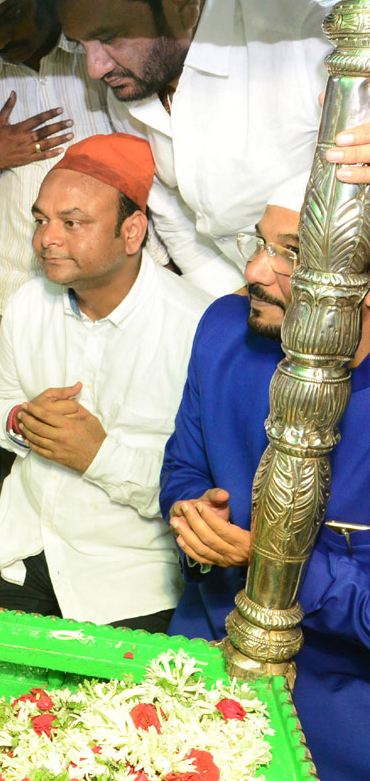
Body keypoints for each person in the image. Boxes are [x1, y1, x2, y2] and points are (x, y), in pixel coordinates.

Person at [0, 133, 210, 631]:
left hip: (128, 572)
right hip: (22, 542)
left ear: (132, 232)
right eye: (42, 220)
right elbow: (2, 399)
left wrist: (95, 454)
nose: (47, 238)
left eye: (73, 223)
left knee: (111, 710)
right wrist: (21, 421)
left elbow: (202, 488)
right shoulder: (29, 300)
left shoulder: (196, 327)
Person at [160, 183, 370, 781]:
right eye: (259, 243)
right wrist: (196, 516)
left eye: (294, 253)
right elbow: (182, 468)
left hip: (336, 724)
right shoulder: (227, 331)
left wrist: (274, 563)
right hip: (196, 674)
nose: (254, 270)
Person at [56, 0, 330, 297]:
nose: (96, 68)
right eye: (79, 45)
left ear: (183, 6)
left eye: (110, 37)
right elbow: (172, 211)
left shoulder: (308, 36)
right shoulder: (131, 85)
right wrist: (231, 298)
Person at [0, 0, 112, 342]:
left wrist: (157, 256)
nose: (0, 39)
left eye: (11, 15)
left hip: (110, 283)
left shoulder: (96, 52)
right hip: (19, 285)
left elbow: (145, 157)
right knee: (18, 398)